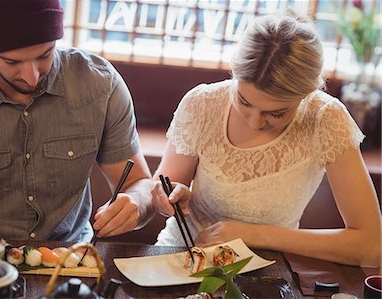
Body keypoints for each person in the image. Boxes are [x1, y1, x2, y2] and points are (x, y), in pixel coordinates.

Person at [152, 12, 381, 267]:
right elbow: (166, 185)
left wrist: (254, 235)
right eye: (244, 101)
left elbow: (371, 246)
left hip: (267, 271)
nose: (255, 122)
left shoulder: (326, 118)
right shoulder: (202, 104)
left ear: (306, 94)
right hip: (179, 257)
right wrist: (167, 194)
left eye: (276, 113)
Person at [0, 0, 154, 242]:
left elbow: (138, 182)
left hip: (70, 260)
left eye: (44, 54)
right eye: (12, 62)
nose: (32, 77)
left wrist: (138, 202)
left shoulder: (100, 85)